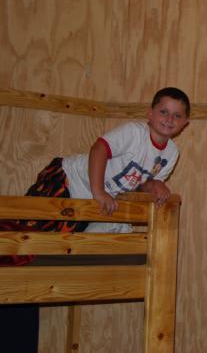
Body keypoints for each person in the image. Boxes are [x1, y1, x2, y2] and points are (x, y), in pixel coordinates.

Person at [0, 87, 190, 353]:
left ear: (184, 123)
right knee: (22, 240)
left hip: (92, 206)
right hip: (68, 182)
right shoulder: (134, 133)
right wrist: (98, 190)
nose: (169, 119)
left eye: (177, 115)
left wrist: (154, 186)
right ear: (150, 113)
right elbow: (99, 148)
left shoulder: (171, 153)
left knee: (62, 249)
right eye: (164, 112)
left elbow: (140, 182)